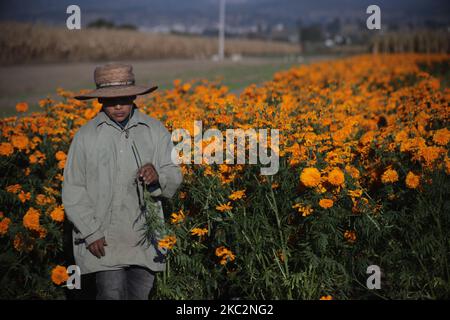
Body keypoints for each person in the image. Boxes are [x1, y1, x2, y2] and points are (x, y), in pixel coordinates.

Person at [62, 63, 182, 300]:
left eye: (124, 99)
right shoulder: (86, 136)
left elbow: (175, 174)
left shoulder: (154, 130)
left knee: (140, 295)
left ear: (135, 96)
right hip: (103, 239)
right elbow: (73, 188)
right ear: (99, 101)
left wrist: (158, 175)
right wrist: (90, 231)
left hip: (145, 239)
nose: (118, 106)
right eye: (110, 100)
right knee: (111, 293)